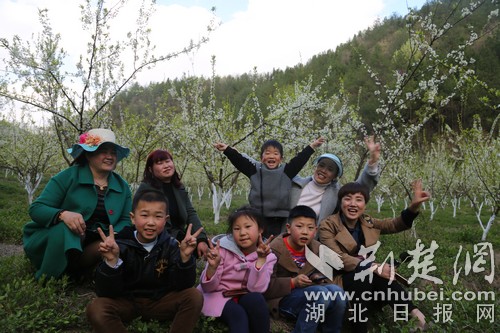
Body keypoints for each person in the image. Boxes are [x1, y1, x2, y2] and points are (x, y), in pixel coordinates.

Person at [318, 180, 430, 332]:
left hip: (364, 279)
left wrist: (413, 207)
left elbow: (394, 224)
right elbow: (336, 258)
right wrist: (373, 267)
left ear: (364, 204)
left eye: (359, 199)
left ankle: (416, 316)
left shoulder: (367, 221)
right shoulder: (328, 225)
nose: (353, 204)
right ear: (341, 202)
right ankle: (360, 328)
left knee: (378, 275)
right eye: (347, 198)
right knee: (367, 274)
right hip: (337, 278)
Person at [86, 189, 204, 333]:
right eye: (144, 215)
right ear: (133, 218)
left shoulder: (172, 245)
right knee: (97, 307)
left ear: (165, 220)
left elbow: (183, 285)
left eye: (158, 216)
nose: (151, 222)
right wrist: (111, 262)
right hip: (127, 302)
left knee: (194, 296)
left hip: (160, 301)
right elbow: (106, 292)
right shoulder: (120, 246)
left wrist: (185, 258)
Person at [23, 128, 132, 280]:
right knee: (66, 229)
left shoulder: (122, 186)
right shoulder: (67, 177)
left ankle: (83, 273)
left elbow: (126, 220)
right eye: (103, 151)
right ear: (88, 154)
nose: (109, 156)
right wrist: (63, 214)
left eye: (113, 152)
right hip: (61, 238)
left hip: (96, 242)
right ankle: (48, 279)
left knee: (125, 241)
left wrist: (110, 237)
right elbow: (36, 209)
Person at [214, 137, 325, 238]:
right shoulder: (255, 170)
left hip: (278, 219)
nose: (271, 156)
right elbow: (240, 161)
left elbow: (300, 159)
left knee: (274, 245)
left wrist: (312, 146)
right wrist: (227, 150)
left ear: (281, 158)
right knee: (256, 242)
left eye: (276, 153)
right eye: (267, 153)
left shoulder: (286, 171)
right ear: (262, 158)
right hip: (258, 216)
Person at [264, 205, 347, 333]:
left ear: (316, 230)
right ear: (289, 228)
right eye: (299, 226)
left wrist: (317, 277)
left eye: (310, 228)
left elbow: (332, 268)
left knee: (338, 292)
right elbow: (265, 286)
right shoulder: (274, 250)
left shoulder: (316, 247)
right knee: (320, 294)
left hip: (308, 294)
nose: (305, 232)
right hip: (282, 299)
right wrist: (293, 282)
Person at [198, 206, 278, 333]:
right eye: (237, 228)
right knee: (238, 316)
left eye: (248, 227)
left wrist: (261, 260)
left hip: (243, 295)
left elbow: (256, 289)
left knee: (257, 300)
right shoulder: (222, 251)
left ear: (260, 230)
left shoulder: (268, 256)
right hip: (218, 295)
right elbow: (208, 288)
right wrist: (212, 267)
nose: (242, 233)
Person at [290, 136, 381, 225]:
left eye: (330, 169)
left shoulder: (337, 193)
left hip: (315, 239)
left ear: (335, 176)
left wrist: (372, 162)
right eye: (321, 165)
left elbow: (360, 187)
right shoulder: (295, 183)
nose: (323, 170)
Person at [136, 149, 208, 257]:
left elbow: (190, 213)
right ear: (150, 169)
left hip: (179, 236)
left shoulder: (178, 188)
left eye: (168, 161)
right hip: (156, 240)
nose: (166, 166)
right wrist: (176, 239)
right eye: (160, 163)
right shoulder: (146, 189)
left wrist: (201, 238)